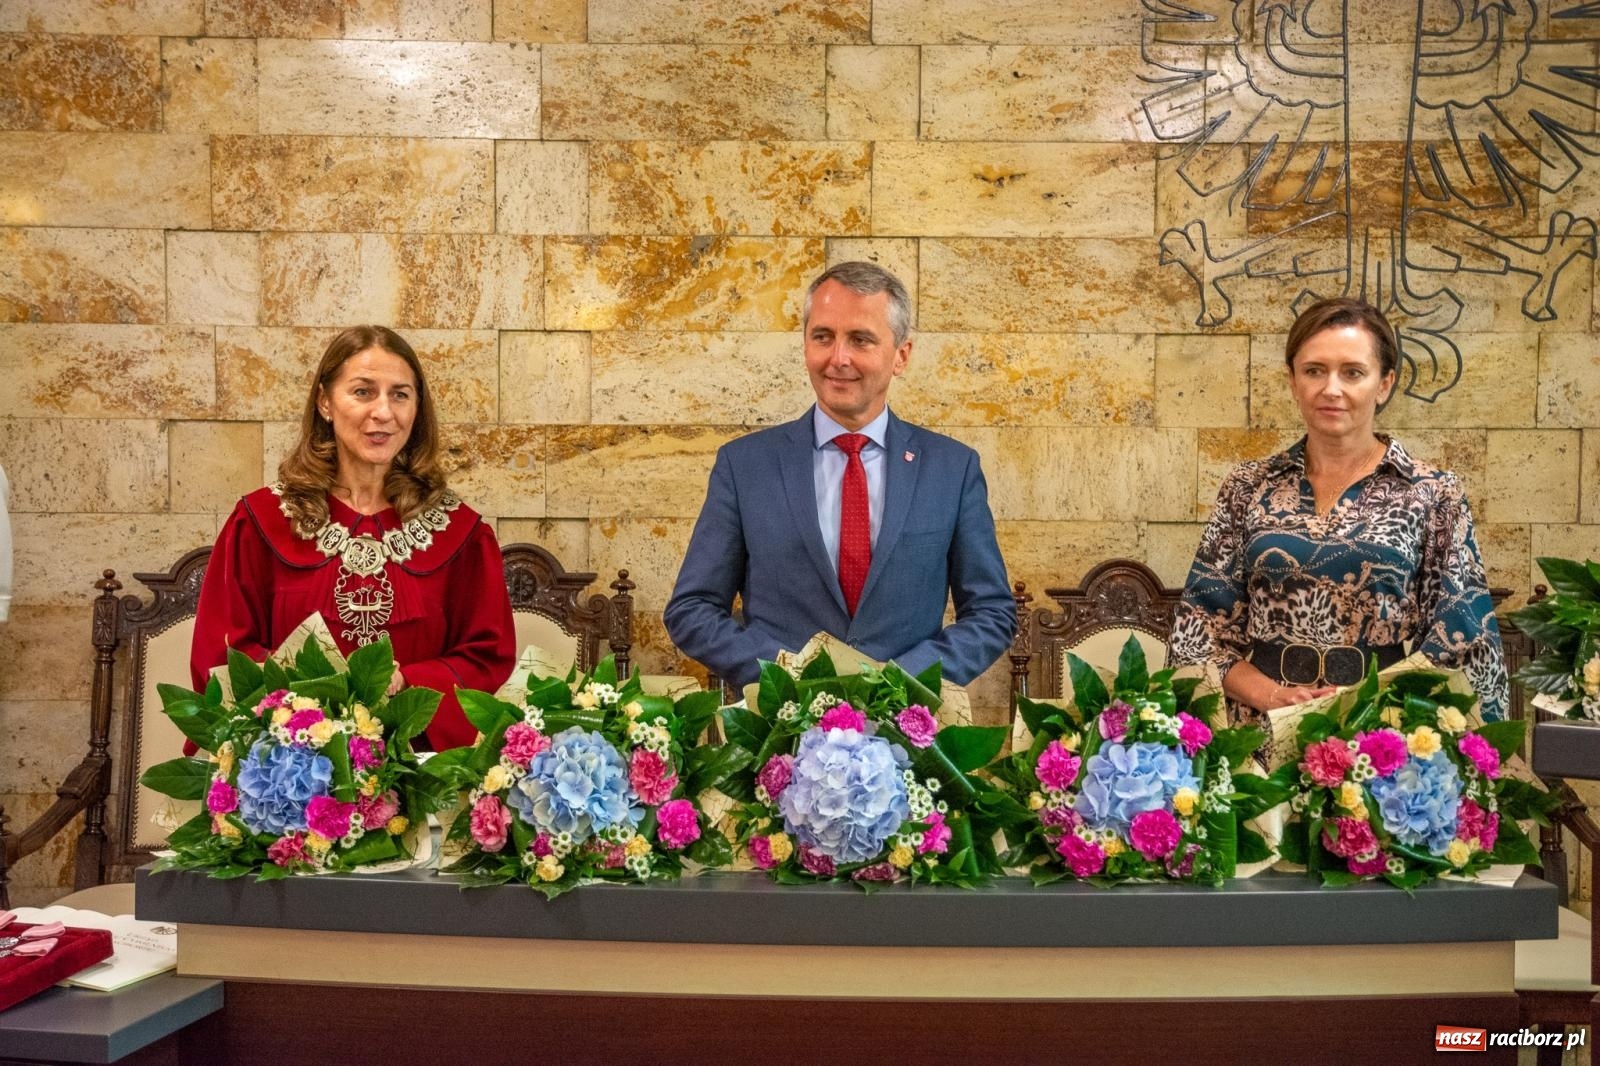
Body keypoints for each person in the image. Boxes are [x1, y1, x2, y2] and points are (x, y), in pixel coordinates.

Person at [664, 261, 1016, 690]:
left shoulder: (951, 469)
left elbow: (992, 612)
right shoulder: (745, 466)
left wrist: (903, 682)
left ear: (901, 355)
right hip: (778, 735)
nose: (838, 358)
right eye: (823, 337)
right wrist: (784, 677)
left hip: (906, 735)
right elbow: (692, 608)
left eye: (861, 339)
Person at [1169, 297, 1509, 722]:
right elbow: (1199, 635)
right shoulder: (1248, 487)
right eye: (1314, 370)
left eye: (1352, 372)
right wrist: (1274, 697)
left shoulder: (1432, 493)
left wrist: (1374, 716)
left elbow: (1462, 641)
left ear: (1384, 383)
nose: (1331, 389)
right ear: (1293, 381)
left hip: (1384, 737)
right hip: (1256, 732)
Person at [190, 326, 516, 750]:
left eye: (400, 394)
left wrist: (405, 683)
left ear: (417, 408)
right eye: (363, 392)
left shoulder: (461, 534)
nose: (383, 412)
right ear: (325, 401)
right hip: (291, 775)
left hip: (417, 773)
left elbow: (486, 657)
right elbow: (222, 653)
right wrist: (308, 719)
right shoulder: (259, 521)